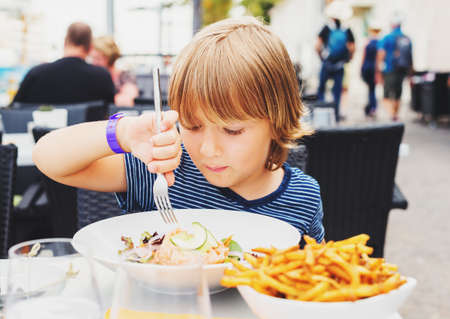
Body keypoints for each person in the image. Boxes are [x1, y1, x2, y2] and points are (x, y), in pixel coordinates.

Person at [32, 17, 325, 242]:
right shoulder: (164, 170)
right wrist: (122, 133)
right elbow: (48, 159)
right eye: (193, 126)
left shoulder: (303, 198)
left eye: (232, 130)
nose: (209, 149)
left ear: (277, 120)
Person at [12, 22, 115, 105]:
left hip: (45, 131)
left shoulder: (36, 74)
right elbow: (109, 116)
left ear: (65, 42)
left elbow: (13, 111)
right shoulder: (102, 77)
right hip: (87, 131)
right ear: (90, 48)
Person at [315, 0, 355, 122]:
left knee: (321, 88)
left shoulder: (326, 28)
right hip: (340, 65)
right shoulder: (346, 29)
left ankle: (320, 113)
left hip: (327, 63)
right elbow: (352, 47)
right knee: (337, 91)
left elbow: (317, 46)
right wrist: (348, 58)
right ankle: (336, 114)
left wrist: (321, 57)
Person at [377, 14, 413, 121]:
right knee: (398, 93)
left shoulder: (387, 38)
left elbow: (381, 54)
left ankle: (392, 114)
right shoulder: (406, 38)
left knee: (386, 95)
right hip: (402, 69)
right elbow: (410, 57)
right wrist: (410, 72)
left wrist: (378, 70)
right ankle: (395, 113)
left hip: (389, 69)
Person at [90, 36, 139, 106]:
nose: (94, 63)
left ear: (110, 57)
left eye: (98, 58)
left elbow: (127, 100)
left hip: (117, 115)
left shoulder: (125, 76)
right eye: (92, 58)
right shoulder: (94, 76)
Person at [361, 21, 382, 118]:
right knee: (372, 89)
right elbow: (379, 58)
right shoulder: (379, 43)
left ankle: (371, 107)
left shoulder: (368, 42)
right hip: (373, 69)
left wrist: (361, 68)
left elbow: (363, 56)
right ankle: (372, 107)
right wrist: (378, 72)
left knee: (370, 89)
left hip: (367, 68)